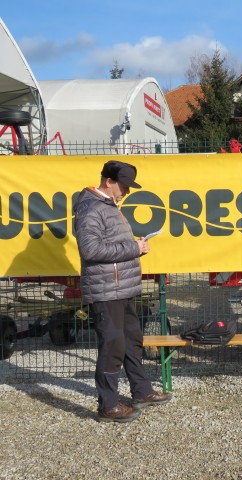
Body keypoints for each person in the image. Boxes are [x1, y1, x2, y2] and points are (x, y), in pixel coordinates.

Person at [73, 160, 172, 423]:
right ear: (109, 181)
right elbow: (90, 251)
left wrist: (136, 244)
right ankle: (108, 405)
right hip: (107, 291)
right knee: (113, 345)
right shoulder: (92, 209)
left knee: (131, 339)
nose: (127, 191)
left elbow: (108, 245)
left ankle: (141, 391)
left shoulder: (108, 207)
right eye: (124, 185)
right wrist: (134, 248)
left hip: (120, 287)